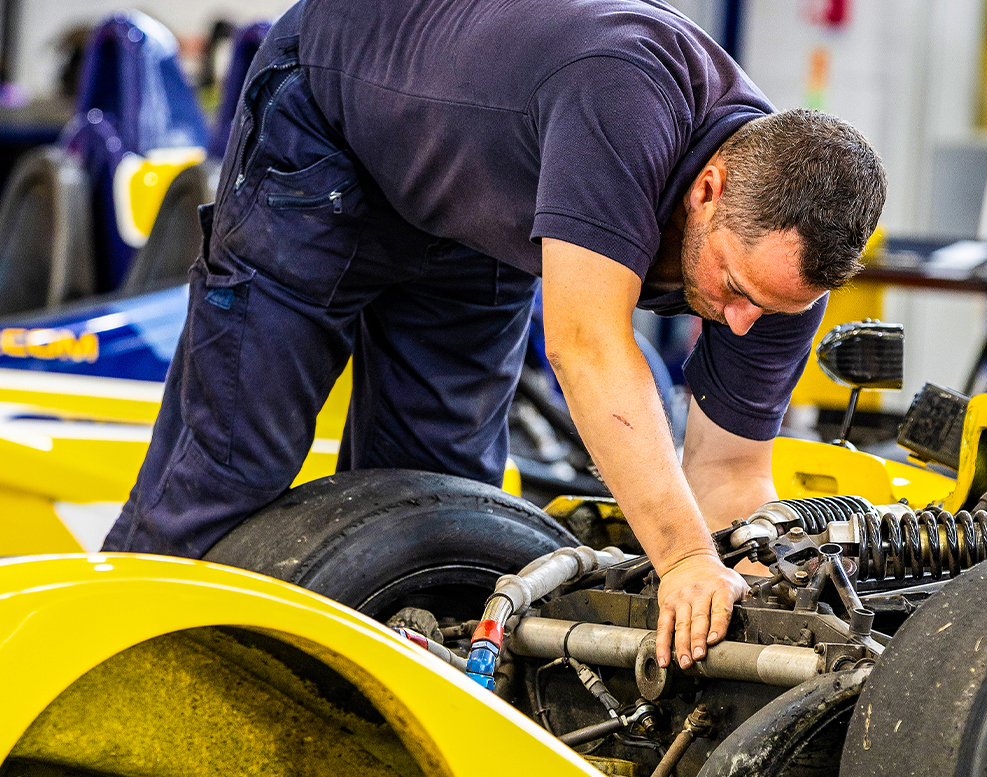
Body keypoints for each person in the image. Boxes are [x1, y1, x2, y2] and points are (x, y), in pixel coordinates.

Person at [102, 0, 886, 673]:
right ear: (709, 187)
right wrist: (681, 559)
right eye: (737, 290)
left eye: (771, 309)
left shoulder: (780, 273)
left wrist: (738, 570)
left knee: (435, 509)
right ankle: (87, 691)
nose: (744, 321)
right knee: (234, 466)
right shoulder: (623, 101)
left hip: (484, 197)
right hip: (331, 115)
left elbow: (729, 470)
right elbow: (585, 348)